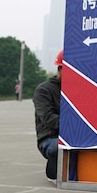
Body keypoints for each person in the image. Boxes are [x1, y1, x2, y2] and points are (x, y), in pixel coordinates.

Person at [33, 50, 63, 182]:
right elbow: (48, 118)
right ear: (60, 69)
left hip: (72, 135)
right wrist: (75, 126)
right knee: (58, 148)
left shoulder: (78, 89)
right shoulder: (44, 90)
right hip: (50, 138)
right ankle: (53, 172)